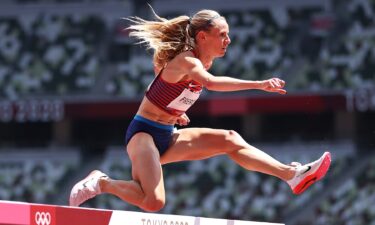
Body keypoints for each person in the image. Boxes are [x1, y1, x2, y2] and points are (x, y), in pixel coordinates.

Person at [69, 8, 331, 212]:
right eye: (223, 35)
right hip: (143, 135)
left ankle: (292, 175)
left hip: (167, 134)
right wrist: (259, 84)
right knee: (154, 202)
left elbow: (161, 75)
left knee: (230, 139)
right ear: (202, 37)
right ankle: (102, 182)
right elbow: (211, 83)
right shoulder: (188, 60)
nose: (229, 40)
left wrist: (173, 110)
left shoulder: (193, 62)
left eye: (228, 34)